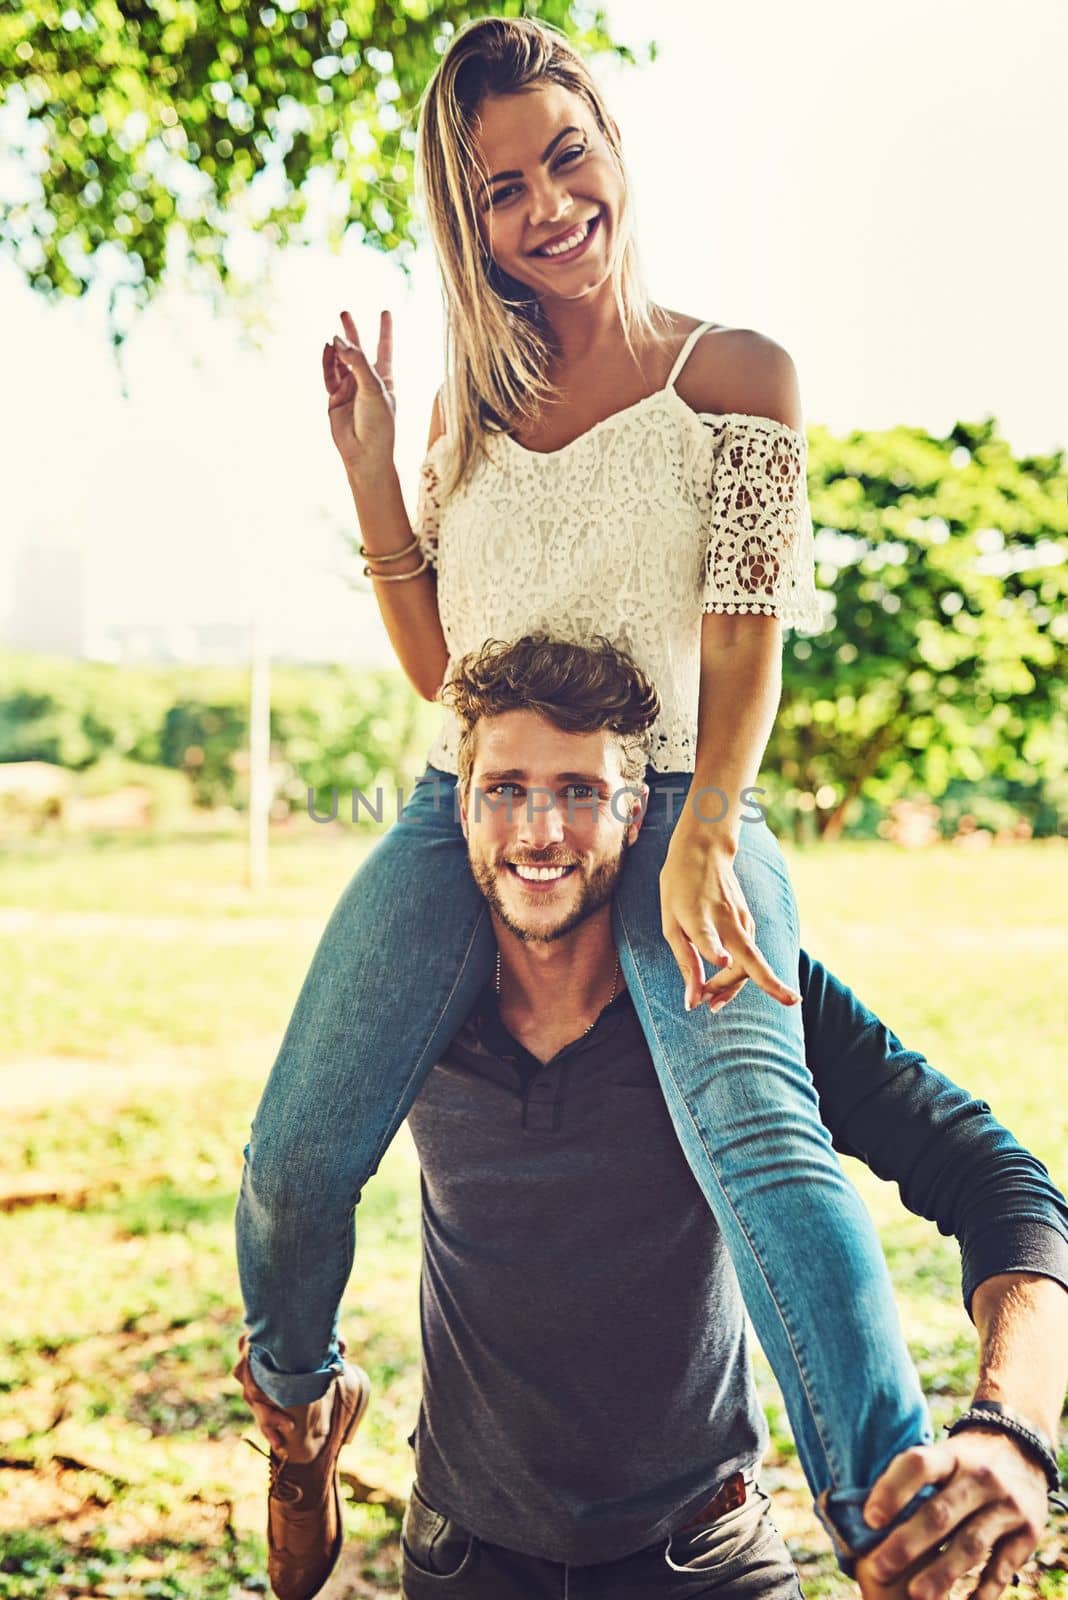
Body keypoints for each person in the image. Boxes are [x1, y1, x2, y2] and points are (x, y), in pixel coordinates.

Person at [233, 12, 1043, 1597]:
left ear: (610, 143)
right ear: (468, 224)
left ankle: (904, 1525)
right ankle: (295, 1407)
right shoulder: (478, 413)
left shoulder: (737, 374)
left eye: (565, 155)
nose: (548, 205)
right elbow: (436, 668)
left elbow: (744, 638)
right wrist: (371, 464)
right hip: (473, 802)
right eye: (501, 190)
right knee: (292, 1156)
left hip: (676, 787)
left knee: (761, 1135)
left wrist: (711, 838)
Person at [235, 635, 1068, 1600]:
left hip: (705, 1560)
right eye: (504, 787)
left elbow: (1001, 1181)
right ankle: (303, 1438)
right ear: (456, 812)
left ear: (639, 817)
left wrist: (1013, 1426)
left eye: (581, 792)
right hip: (462, 1556)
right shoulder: (406, 1012)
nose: (539, 830)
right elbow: (291, 1178)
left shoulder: (737, 999)